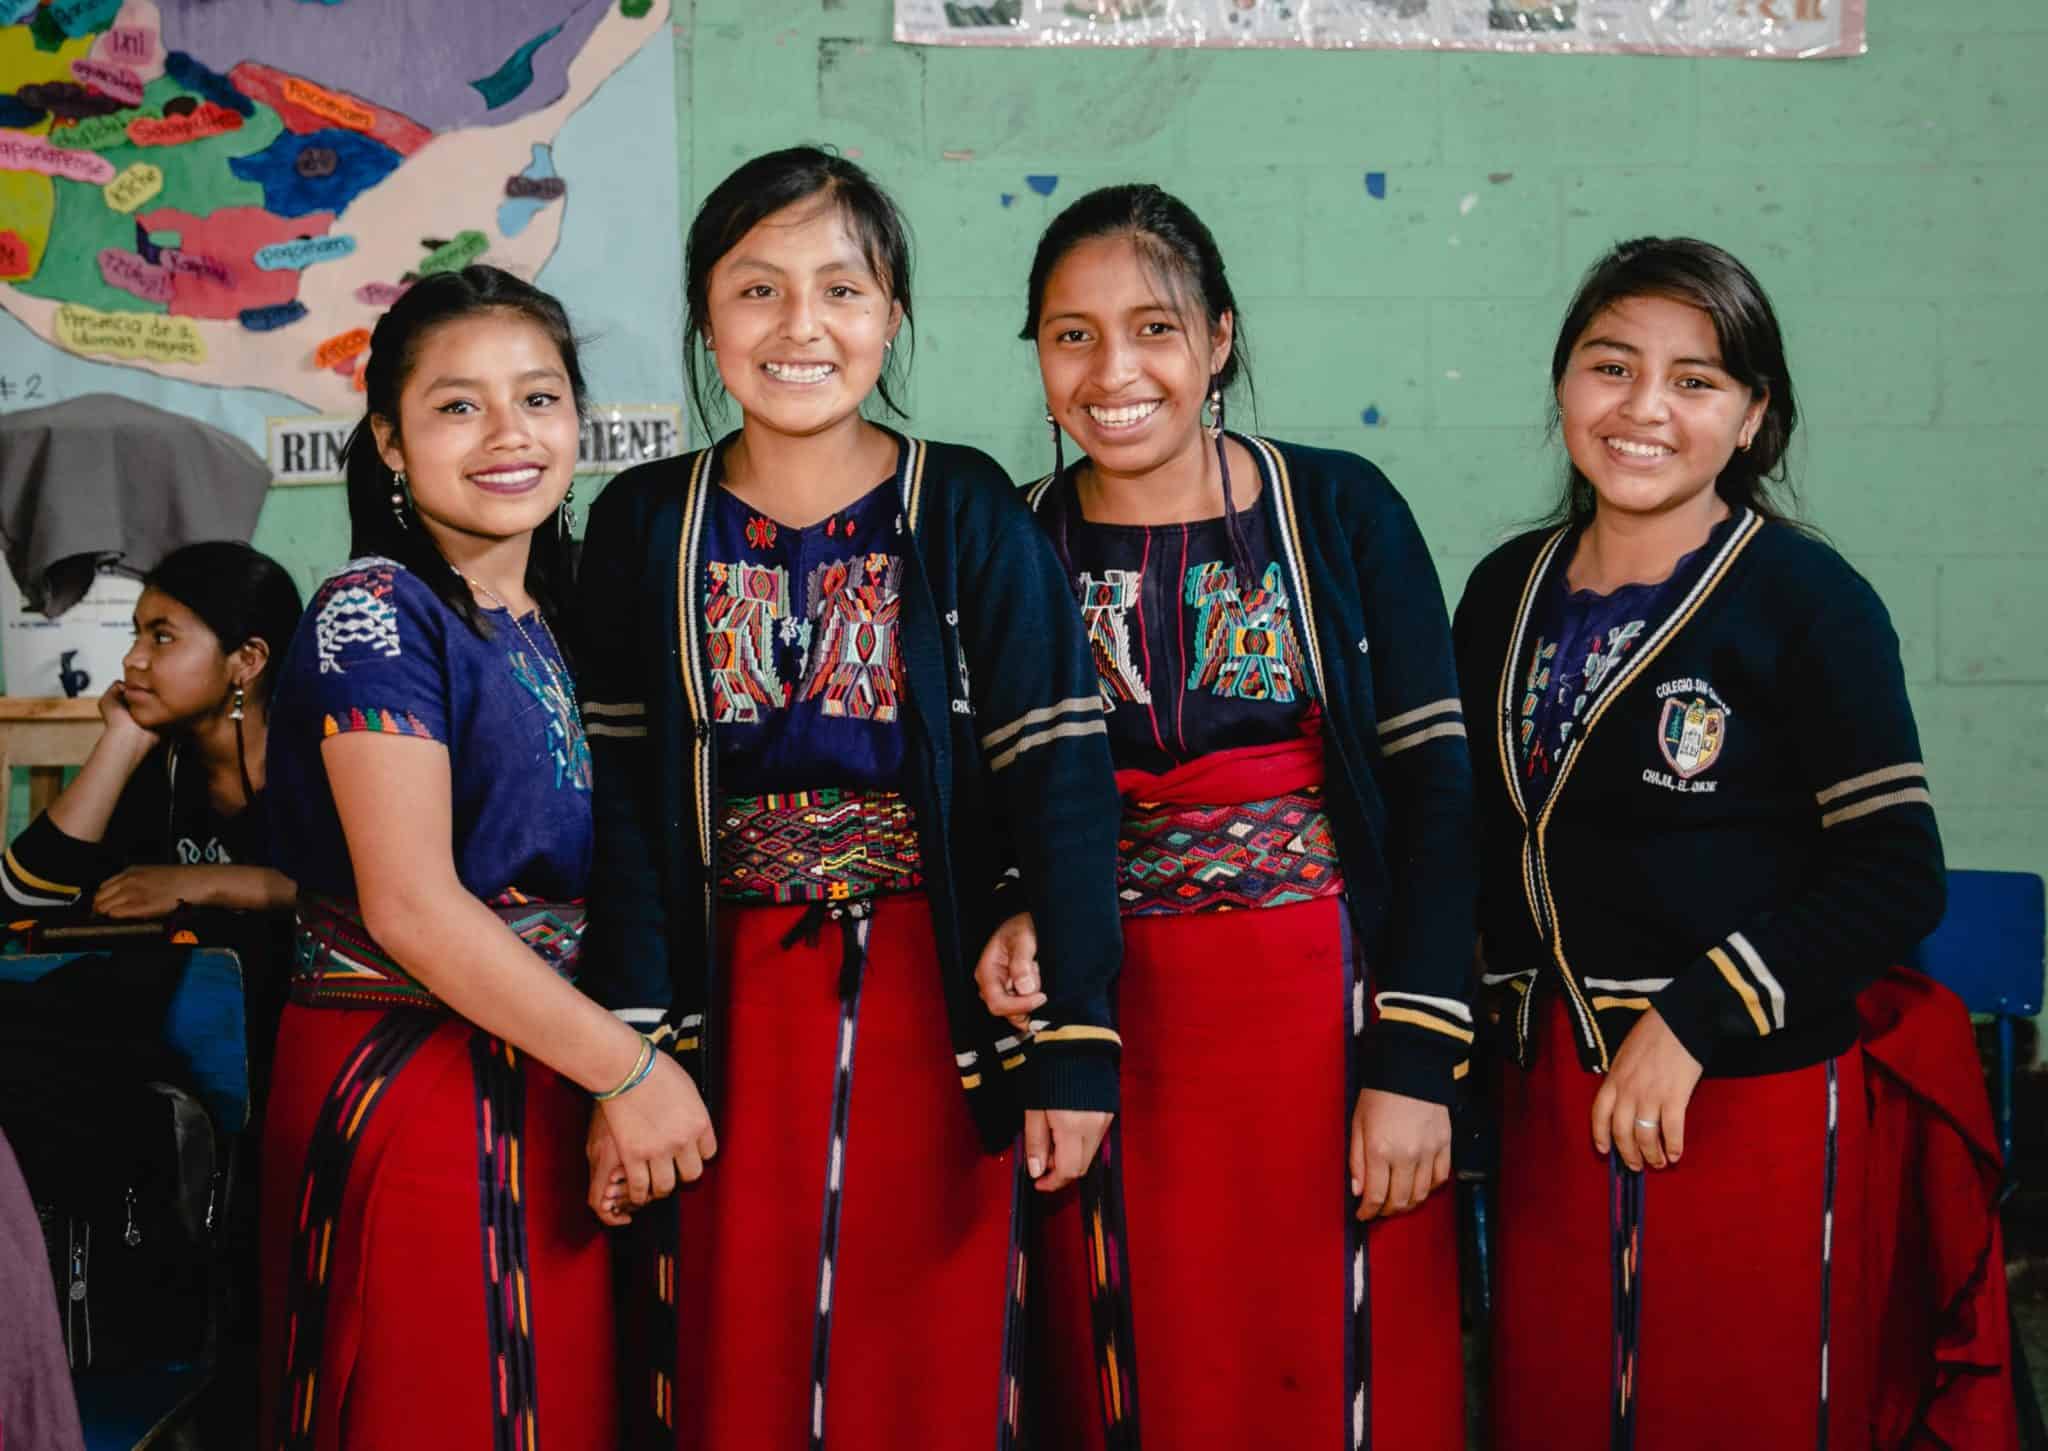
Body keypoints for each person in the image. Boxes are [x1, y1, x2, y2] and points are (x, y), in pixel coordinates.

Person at [577, 146, 1123, 1451]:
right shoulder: (646, 521)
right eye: (756, 289)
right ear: (706, 315)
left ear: (892, 314)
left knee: (924, 1339)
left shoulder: (964, 505)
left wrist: (1076, 1037)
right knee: (739, 1336)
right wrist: (627, 1054)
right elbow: (623, 810)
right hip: (726, 999)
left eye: (840, 288)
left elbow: (1057, 771)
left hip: (934, 997)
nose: (800, 325)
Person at [978, 182, 1474, 1450]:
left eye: (1152, 328)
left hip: (1323, 1015)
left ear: (1217, 338)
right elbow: (981, 801)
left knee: (1331, 1357)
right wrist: (1018, 906)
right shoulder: (1010, 542)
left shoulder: (1336, 510)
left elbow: (1434, 791)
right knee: (1143, 1359)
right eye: (1071, 334)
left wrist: (1414, 1060)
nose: (1112, 371)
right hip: (1111, 1022)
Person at [1452, 236, 1946, 1448]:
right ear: (1562, 382)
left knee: (1732, 1405)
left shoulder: (1806, 599)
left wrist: (1693, 1017)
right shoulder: (1502, 589)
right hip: (1547, 1096)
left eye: (1693, 380)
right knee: (1559, 1407)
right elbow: (1462, 840)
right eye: (1609, 366)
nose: (1642, 408)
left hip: (1737, 1086)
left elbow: (1894, 874)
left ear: (1751, 415)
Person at [257, 265, 710, 1451]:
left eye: (538, 398)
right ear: (389, 442)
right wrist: (630, 1072)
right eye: (458, 405)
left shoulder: (556, 613)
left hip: (542, 1066)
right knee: (437, 1401)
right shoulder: (374, 611)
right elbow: (409, 903)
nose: (510, 432)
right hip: (409, 1071)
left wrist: (605, 1071)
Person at [1, 540, 300, 921]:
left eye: (162, 637)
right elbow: (21, 903)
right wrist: (121, 741)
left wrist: (204, 883)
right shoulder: (160, 762)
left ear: (247, 660)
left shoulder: (320, 762)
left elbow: (357, 898)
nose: (132, 659)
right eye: (136, 635)